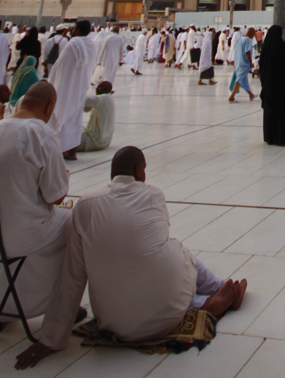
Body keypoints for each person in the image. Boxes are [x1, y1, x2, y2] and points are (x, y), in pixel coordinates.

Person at [14, 147, 246, 368]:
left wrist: (50, 339)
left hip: (114, 323)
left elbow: (73, 276)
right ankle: (213, 293)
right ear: (138, 170)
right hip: (167, 316)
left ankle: (210, 298)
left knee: (139, 266)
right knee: (179, 252)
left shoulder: (84, 205)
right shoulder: (153, 194)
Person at [0, 81, 71, 317]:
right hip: (17, 238)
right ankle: (63, 307)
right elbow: (56, 196)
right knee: (77, 221)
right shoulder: (42, 134)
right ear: (49, 107)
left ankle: (2, 307)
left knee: (22, 213)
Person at [48, 19, 94, 160]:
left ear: (78, 30)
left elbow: (60, 66)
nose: (72, 31)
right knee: (75, 119)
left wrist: (52, 81)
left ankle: (60, 149)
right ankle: (71, 151)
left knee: (62, 115)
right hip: (80, 87)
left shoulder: (72, 45)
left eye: (74, 29)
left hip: (67, 86)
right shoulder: (90, 44)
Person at [79, 82, 116, 151]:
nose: (96, 89)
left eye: (99, 87)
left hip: (95, 140)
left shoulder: (104, 98)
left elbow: (86, 101)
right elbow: (86, 108)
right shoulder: (108, 99)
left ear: (106, 90)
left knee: (68, 141)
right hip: (105, 141)